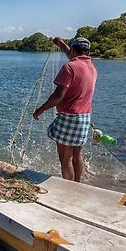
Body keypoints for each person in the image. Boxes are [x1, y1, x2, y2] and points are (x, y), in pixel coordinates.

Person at [33, 37, 97, 182]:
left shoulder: (70, 67)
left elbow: (58, 95)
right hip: (85, 117)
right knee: (76, 156)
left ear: (74, 50)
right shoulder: (91, 67)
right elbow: (73, 55)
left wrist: (41, 109)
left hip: (69, 117)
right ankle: (77, 185)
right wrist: (61, 44)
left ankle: (70, 188)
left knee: (65, 158)